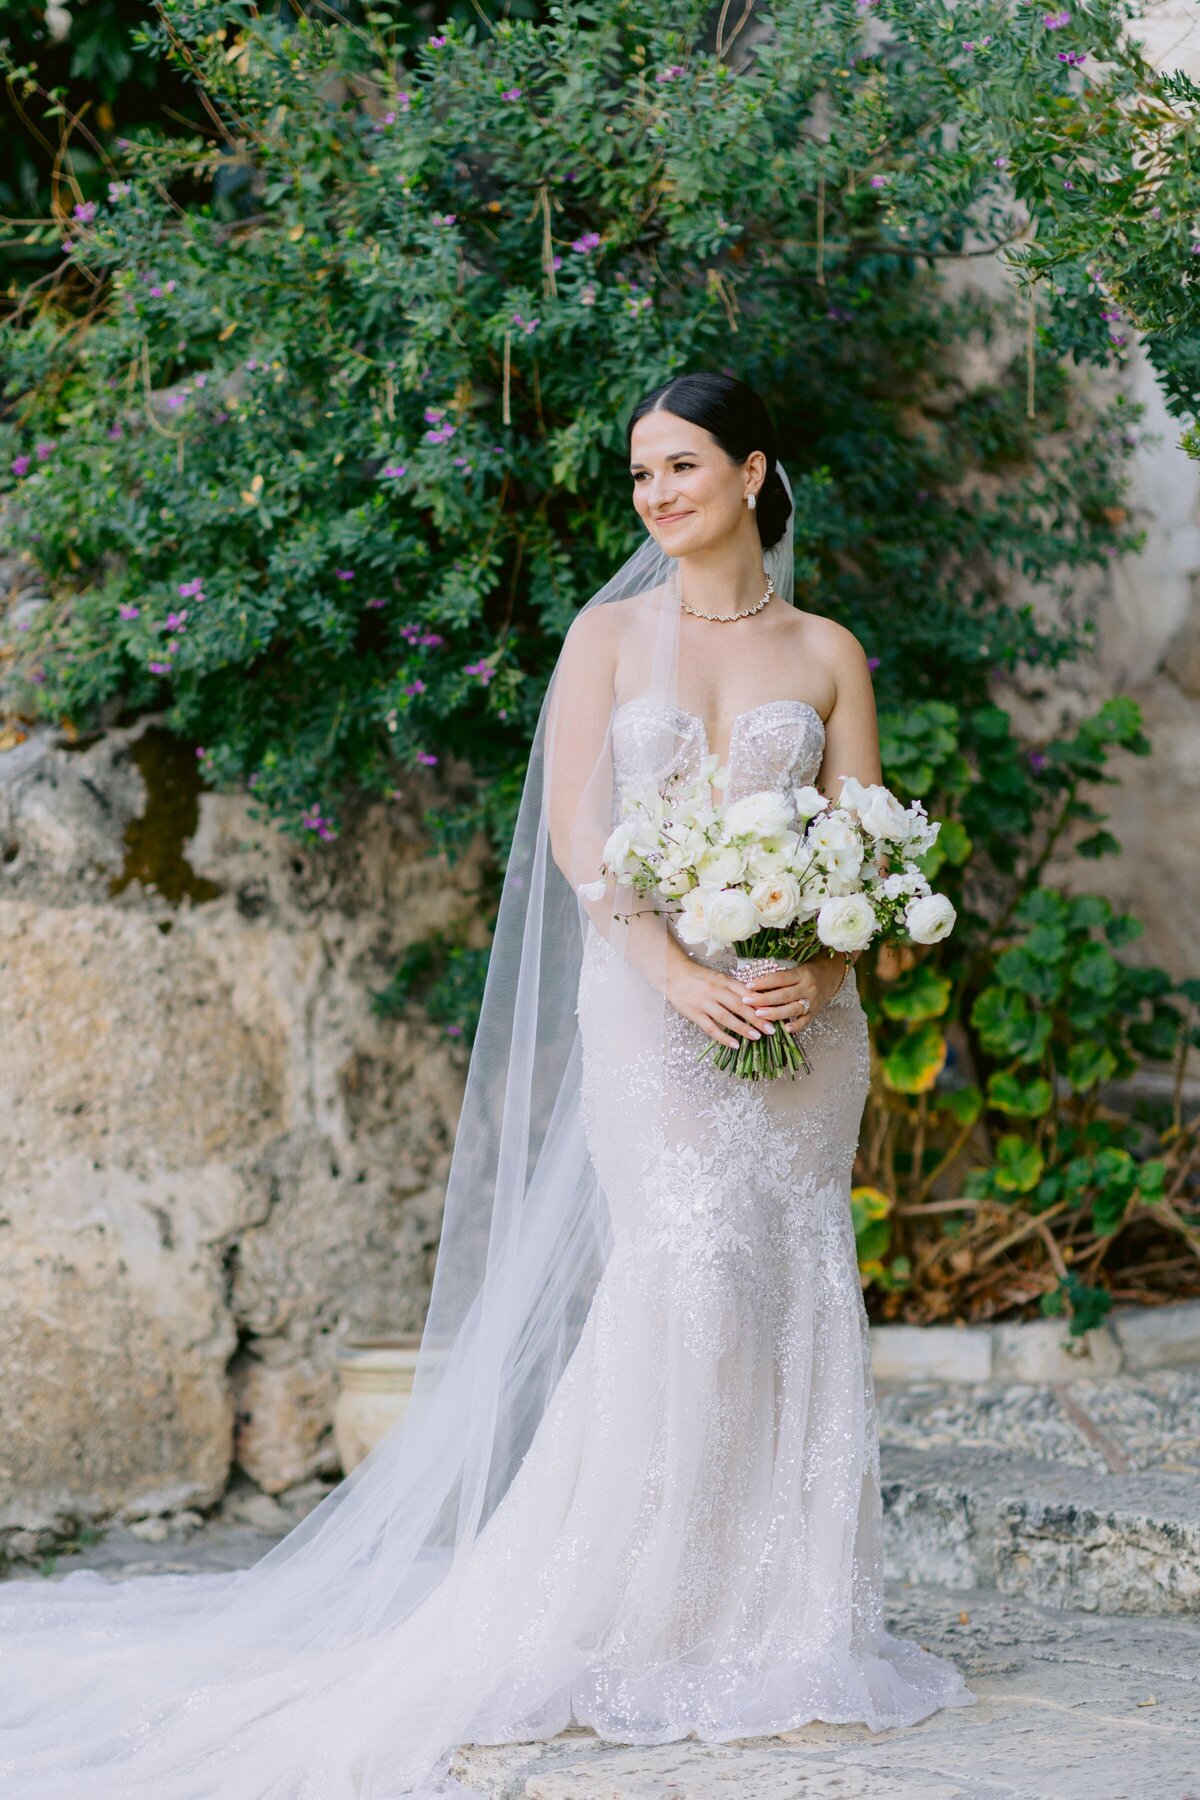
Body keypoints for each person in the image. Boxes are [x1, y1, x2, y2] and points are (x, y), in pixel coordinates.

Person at [0, 371, 976, 1799]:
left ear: (755, 473)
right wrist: (685, 980)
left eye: (683, 465)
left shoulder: (829, 652)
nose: (657, 495)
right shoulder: (605, 636)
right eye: (641, 472)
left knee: (790, 1283)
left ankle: (783, 1620)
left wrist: (812, 977)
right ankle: (639, 1614)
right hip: (654, 1010)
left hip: (798, 1030)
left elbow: (871, 858)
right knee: (686, 1274)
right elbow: (588, 845)